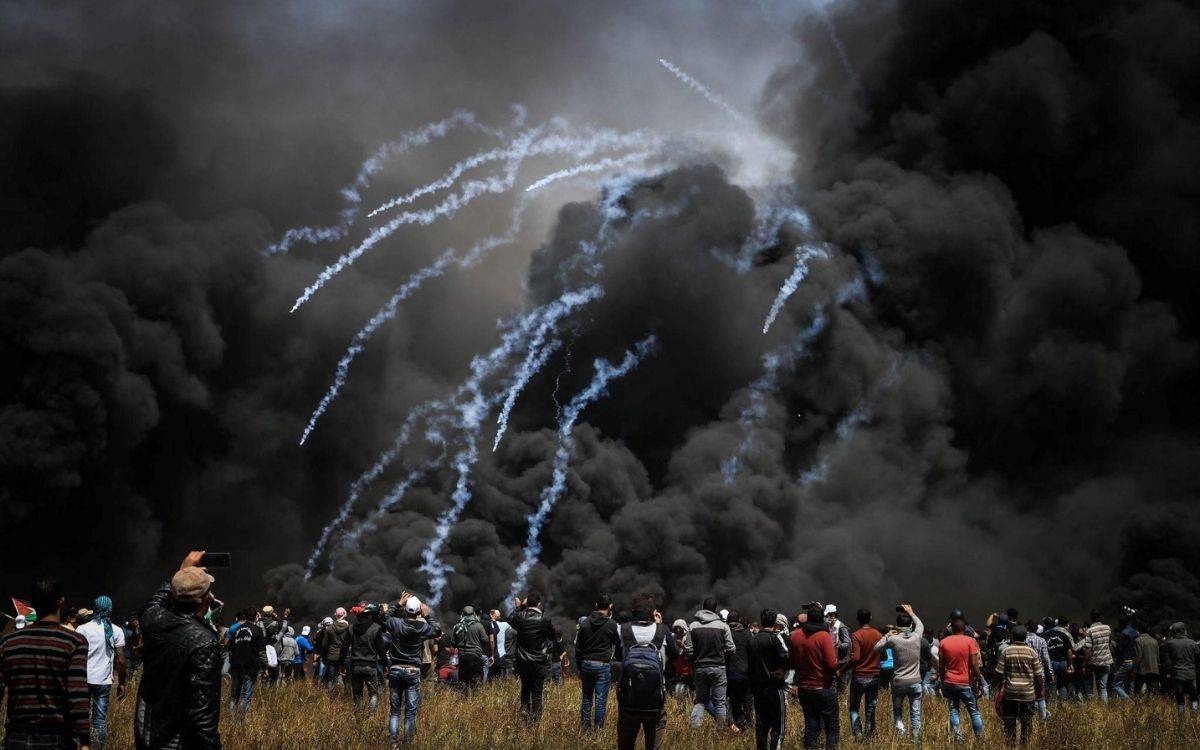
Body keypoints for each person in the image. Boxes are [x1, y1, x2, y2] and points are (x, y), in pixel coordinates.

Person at [134, 551, 221, 750]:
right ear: (206, 599)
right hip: (178, 742)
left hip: (146, 735)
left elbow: (154, 602)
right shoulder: (205, 640)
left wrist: (182, 572)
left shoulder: (153, 621)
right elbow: (201, 715)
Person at [0, 576, 91, 750]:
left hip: (17, 737)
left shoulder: (9, 642)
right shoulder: (74, 642)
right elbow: (77, 694)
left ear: (32, 605)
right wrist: (85, 740)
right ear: (61, 601)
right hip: (56, 738)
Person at [614, 592, 679, 750]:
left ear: (633, 612)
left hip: (629, 701)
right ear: (653, 612)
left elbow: (617, 656)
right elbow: (675, 654)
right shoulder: (662, 631)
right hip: (655, 701)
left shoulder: (623, 630)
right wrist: (660, 624)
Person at [383, 593, 441, 745]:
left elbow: (384, 618)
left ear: (406, 610)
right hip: (413, 671)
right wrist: (428, 615)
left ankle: (393, 743)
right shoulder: (423, 627)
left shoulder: (395, 623)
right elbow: (437, 631)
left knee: (395, 711)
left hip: (395, 669)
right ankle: (408, 743)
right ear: (418, 612)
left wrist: (397, 604)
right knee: (410, 711)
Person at [75, 595, 125, 750]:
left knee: (80, 718)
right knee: (99, 721)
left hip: (82, 680)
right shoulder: (116, 630)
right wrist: (122, 682)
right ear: (110, 609)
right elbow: (121, 660)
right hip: (103, 681)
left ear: (94, 608)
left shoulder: (82, 629)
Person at [791, 605, 839, 750]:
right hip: (823, 687)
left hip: (804, 689)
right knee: (832, 726)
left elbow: (792, 662)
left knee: (811, 723)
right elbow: (831, 665)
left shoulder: (796, 635)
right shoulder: (823, 636)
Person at [684, 597, 737, 730]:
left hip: (700, 668)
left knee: (700, 700)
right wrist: (722, 655)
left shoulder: (693, 626)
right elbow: (731, 648)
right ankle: (721, 731)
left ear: (703, 608)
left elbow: (689, 649)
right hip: (718, 668)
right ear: (715, 610)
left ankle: (694, 729)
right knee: (720, 703)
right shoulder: (723, 626)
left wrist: (694, 660)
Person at [874, 603, 923, 742]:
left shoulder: (893, 639)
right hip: (915, 682)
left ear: (897, 626)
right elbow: (920, 625)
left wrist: (887, 635)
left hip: (899, 683)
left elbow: (876, 648)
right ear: (911, 626)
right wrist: (911, 612)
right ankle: (916, 740)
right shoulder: (917, 636)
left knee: (897, 710)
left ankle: (901, 736)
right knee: (916, 714)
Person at [508, 591, 556, 723]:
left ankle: (524, 710)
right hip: (539, 661)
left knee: (525, 687)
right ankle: (534, 723)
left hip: (522, 660)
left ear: (527, 603)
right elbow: (552, 636)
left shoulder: (520, 617)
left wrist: (519, 607)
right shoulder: (544, 619)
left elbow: (510, 619)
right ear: (539, 604)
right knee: (537, 693)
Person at [746, 610, 790, 750]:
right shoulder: (775, 638)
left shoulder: (752, 639)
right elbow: (787, 656)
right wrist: (783, 670)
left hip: (758, 689)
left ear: (761, 621)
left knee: (761, 726)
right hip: (775, 688)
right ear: (775, 622)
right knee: (778, 725)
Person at [575, 593, 620, 731]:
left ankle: (586, 730)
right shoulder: (612, 625)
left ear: (596, 605)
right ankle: (599, 731)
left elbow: (578, 647)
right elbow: (617, 644)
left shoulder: (584, 623)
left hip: (586, 663)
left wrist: (579, 666)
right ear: (610, 606)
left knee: (586, 699)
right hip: (603, 665)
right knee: (600, 701)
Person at [939, 609, 984, 741]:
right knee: (974, 712)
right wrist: (980, 682)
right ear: (964, 628)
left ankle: (958, 738)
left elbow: (941, 666)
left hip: (949, 681)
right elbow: (975, 665)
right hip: (965, 683)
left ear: (951, 627)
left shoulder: (943, 642)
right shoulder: (971, 642)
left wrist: (943, 681)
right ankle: (980, 739)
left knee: (953, 710)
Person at [996, 625, 1043, 747]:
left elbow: (999, 672)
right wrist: (1040, 690)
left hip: (1010, 693)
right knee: (1026, 720)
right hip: (1028, 694)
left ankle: (1011, 745)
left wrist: (1001, 687)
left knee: (1009, 720)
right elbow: (1038, 675)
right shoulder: (1032, 652)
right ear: (1025, 637)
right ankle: (1024, 745)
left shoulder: (1006, 651)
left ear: (1012, 636)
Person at [846, 608, 882, 738]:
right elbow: (883, 655)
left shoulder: (856, 635)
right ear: (870, 618)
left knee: (854, 707)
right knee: (870, 708)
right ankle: (870, 734)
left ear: (857, 619)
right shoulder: (878, 634)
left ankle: (858, 734)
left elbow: (855, 658)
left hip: (859, 677)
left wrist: (842, 669)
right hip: (874, 677)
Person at [227, 609, 266, 718]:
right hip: (250, 667)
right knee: (245, 696)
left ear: (244, 616)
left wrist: (232, 663)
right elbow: (262, 652)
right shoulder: (257, 630)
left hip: (236, 667)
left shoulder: (236, 629)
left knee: (234, 697)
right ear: (255, 617)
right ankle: (240, 722)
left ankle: (232, 721)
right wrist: (265, 667)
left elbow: (230, 649)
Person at [348, 603, 385, 712]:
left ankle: (358, 716)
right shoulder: (376, 628)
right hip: (370, 665)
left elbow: (345, 646)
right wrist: (385, 663)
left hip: (355, 665)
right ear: (369, 615)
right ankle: (371, 716)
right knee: (373, 694)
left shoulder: (351, 628)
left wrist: (342, 664)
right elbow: (381, 649)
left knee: (357, 694)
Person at [1161, 622, 1198, 716]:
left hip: (1177, 674)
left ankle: (1181, 721)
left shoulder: (1170, 643)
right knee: (1194, 697)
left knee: (1180, 699)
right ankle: (1194, 716)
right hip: (1191, 674)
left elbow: (1164, 656)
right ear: (1183, 630)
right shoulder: (1192, 643)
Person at [451, 605, 490, 691]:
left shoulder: (457, 626)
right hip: (475, 656)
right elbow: (486, 640)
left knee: (463, 682)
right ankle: (474, 701)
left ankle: (464, 701)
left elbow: (453, 643)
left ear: (463, 614)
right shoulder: (478, 626)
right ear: (473, 614)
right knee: (476, 682)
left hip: (462, 657)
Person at [726, 611, 753, 733]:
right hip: (747, 673)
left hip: (732, 674)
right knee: (747, 700)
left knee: (735, 701)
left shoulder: (728, 634)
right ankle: (749, 723)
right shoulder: (748, 634)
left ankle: (740, 723)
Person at [1022, 620, 1053, 719]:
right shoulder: (1041, 640)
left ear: (1027, 628)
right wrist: (1051, 673)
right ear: (1036, 629)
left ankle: (1030, 716)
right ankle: (1043, 718)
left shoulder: (1024, 640)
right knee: (1040, 695)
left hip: (1026, 672)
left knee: (1027, 695)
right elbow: (1046, 658)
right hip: (1039, 671)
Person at [316, 607, 351, 689]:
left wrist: (324, 656)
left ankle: (330, 698)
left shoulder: (330, 628)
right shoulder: (349, 628)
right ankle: (347, 697)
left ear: (336, 615)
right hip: (346, 656)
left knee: (330, 678)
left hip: (332, 656)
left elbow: (325, 645)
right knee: (348, 678)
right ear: (344, 614)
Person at [1084, 610, 1115, 701]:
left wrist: (1085, 663)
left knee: (1096, 684)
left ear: (1091, 618)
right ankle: (1104, 708)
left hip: (1095, 662)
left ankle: (1097, 705)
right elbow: (1108, 644)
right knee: (1103, 686)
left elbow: (1088, 649)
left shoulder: (1089, 631)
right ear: (1100, 617)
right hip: (1106, 661)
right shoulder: (1107, 628)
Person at [1041, 617, 1073, 701]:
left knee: (1052, 685)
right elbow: (1069, 651)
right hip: (1063, 663)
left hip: (1051, 663)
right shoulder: (1062, 634)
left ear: (1044, 625)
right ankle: (1064, 704)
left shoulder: (1043, 637)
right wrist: (1070, 664)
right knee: (1063, 684)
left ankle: (1054, 707)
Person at [824, 605, 851, 693]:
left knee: (842, 687)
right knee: (834, 686)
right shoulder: (828, 626)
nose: (828, 617)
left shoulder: (841, 627)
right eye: (827, 615)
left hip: (842, 662)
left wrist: (839, 645)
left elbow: (848, 643)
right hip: (833, 660)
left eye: (830, 615)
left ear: (834, 615)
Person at [1133, 623, 1160, 695]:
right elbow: (1157, 657)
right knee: (1152, 691)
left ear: (1138, 630)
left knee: (1137, 691)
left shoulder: (1138, 640)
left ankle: (1139, 705)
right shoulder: (1155, 641)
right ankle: (1151, 705)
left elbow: (1138, 657)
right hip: (1154, 669)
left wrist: (1134, 670)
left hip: (1142, 670)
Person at [490, 608, 513, 679]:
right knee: (501, 675)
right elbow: (511, 630)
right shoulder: (505, 624)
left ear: (491, 615)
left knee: (492, 675)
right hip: (501, 653)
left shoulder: (489, 625)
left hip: (492, 654)